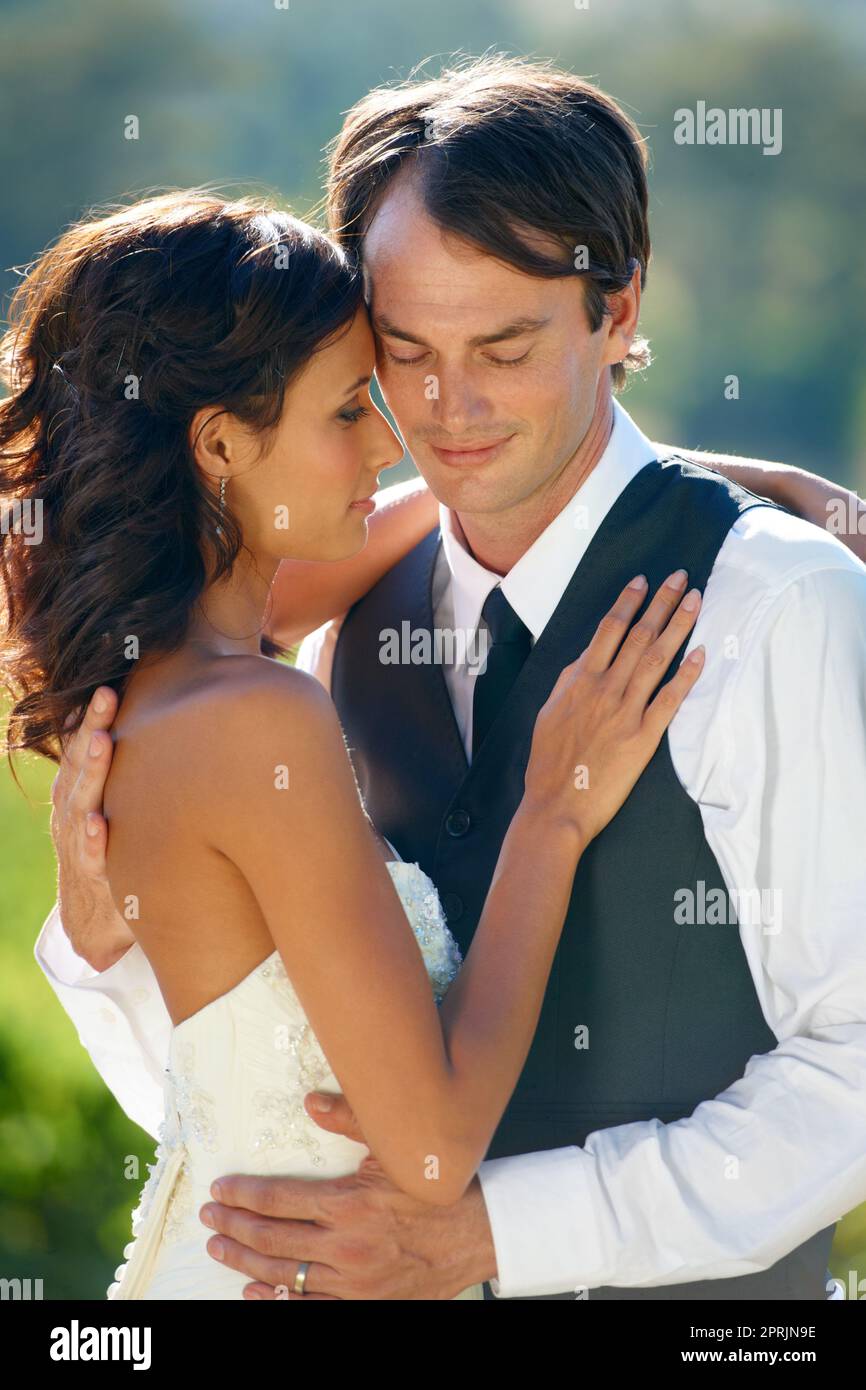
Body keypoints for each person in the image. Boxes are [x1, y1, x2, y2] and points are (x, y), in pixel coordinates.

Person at [33, 55, 866, 1301]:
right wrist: (105, 951)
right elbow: (264, 1114)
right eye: (401, 350)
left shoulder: (773, 604)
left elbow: (853, 1070)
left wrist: (497, 1236)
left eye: (505, 345)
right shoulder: (336, 621)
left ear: (618, 309)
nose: (441, 408)